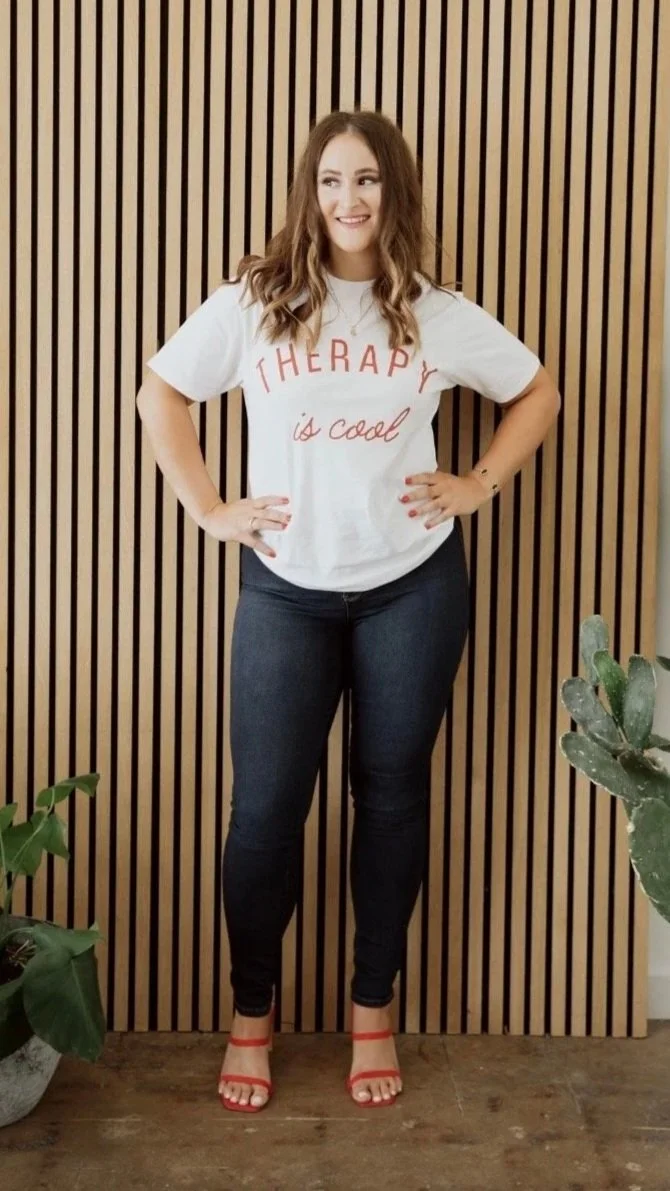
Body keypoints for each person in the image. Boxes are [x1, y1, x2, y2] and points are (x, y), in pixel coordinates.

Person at [136, 109, 561, 1112]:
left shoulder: (434, 312)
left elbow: (536, 393)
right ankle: (252, 1015)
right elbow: (162, 394)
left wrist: (478, 482)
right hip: (285, 590)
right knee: (264, 811)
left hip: (412, 586)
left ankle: (374, 1009)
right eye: (331, 180)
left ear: (392, 191)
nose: (348, 199)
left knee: (393, 797)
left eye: (366, 179)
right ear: (309, 193)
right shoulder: (259, 301)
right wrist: (209, 508)